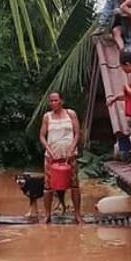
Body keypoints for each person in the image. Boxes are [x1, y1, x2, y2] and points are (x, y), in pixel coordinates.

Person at [38, 92, 83, 224]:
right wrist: (48, 149)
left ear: (61, 101)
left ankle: (77, 214)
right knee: (48, 186)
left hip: (69, 156)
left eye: (55, 100)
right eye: (51, 101)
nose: (53, 103)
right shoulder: (47, 117)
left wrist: (72, 149)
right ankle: (47, 214)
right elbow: (41, 136)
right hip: (52, 157)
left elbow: (77, 133)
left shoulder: (71, 114)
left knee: (74, 185)